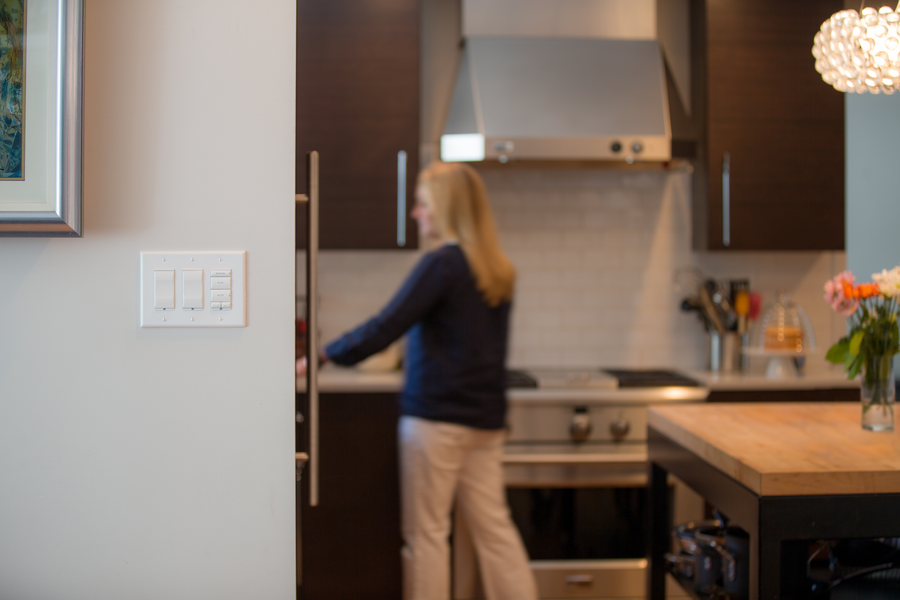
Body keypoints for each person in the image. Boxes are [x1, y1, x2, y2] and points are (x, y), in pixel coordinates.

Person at [297, 162, 538, 600]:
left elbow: (387, 324)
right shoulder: (496, 268)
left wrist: (322, 354)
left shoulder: (441, 265)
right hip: (483, 421)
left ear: (445, 209)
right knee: (495, 531)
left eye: (423, 203)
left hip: (436, 420)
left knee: (426, 536)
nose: (415, 213)